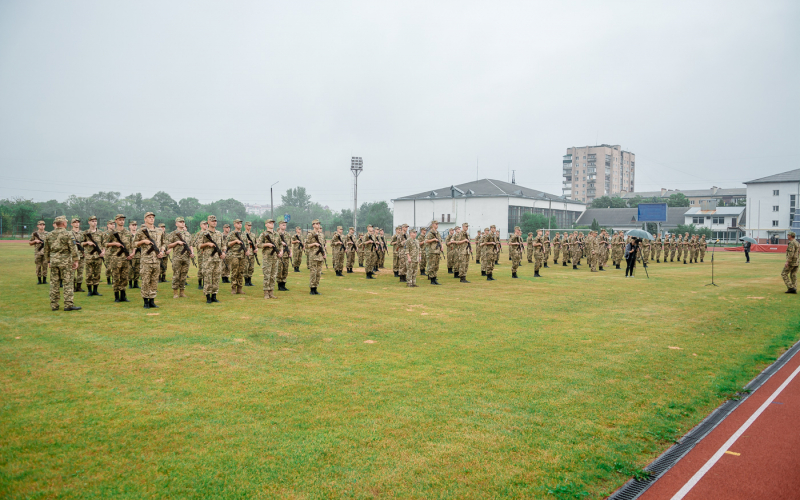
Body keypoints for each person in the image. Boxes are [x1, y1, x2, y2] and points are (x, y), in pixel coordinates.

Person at [44, 216, 81, 311]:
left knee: (54, 283)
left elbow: (46, 249)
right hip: (66, 262)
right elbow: (73, 248)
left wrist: (48, 261)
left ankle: (54, 305)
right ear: (64, 223)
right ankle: (68, 304)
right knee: (68, 283)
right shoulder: (68, 234)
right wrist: (76, 260)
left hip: (54, 261)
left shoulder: (49, 234)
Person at [135, 212, 166, 308]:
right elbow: (133, 244)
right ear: (145, 219)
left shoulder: (159, 231)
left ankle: (152, 300)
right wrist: (143, 241)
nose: (152, 219)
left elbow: (164, 243)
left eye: (153, 217)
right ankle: (146, 301)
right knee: (145, 281)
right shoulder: (141, 231)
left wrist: (162, 251)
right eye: (149, 217)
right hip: (146, 261)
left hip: (156, 260)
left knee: (154, 281)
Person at [106, 214, 134, 303]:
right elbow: (104, 244)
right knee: (116, 277)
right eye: (120, 220)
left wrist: (132, 254)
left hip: (126, 258)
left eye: (123, 220)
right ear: (116, 221)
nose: (122, 221)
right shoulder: (111, 233)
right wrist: (114, 244)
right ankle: (116, 296)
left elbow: (132, 245)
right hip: (115, 258)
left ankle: (123, 296)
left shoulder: (128, 233)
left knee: (124, 278)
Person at [167, 217, 194, 298]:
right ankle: (175, 293)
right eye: (180, 222)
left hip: (186, 258)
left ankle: (182, 292)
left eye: (183, 222)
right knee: (176, 275)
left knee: (184, 276)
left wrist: (192, 252)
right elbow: (169, 245)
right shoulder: (173, 233)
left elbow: (190, 245)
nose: (182, 223)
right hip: (177, 258)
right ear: (176, 224)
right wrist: (177, 242)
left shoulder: (188, 234)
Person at [81, 216, 106, 296]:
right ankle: (89, 291)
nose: (94, 222)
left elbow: (104, 244)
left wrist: (103, 252)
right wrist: (87, 242)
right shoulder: (85, 233)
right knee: (89, 274)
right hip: (89, 256)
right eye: (92, 221)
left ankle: (95, 290)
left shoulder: (101, 233)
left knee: (97, 274)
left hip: (98, 256)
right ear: (89, 222)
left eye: (95, 221)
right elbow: (80, 243)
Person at [257, 219, 279, 299]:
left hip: (275, 258)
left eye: (273, 223)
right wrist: (266, 244)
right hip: (267, 258)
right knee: (267, 275)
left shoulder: (277, 234)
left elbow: (280, 244)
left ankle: (271, 292)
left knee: (273, 275)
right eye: (270, 223)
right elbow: (258, 244)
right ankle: (266, 292)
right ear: (266, 225)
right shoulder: (263, 234)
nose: (272, 224)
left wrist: (281, 251)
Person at [225, 219, 246, 295]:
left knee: (241, 272)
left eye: (240, 223)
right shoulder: (231, 234)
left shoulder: (244, 234)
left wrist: (247, 250)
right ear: (234, 224)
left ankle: (239, 288)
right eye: (238, 223)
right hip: (234, 255)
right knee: (234, 272)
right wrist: (235, 241)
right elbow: (227, 244)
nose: (240, 224)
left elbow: (246, 243)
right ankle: (233, 288)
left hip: (242, 255)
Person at [305, 219, 326, 295]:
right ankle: (312, 288)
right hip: (313, 256)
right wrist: (314, 244)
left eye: (319, 224)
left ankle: (316, 288)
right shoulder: (310, 234)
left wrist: (324, 253)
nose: (318, 225)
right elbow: (306, 245)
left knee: (318, 273)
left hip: (320, 256)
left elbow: (322, 245)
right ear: (313, 225)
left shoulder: (321, 234)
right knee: (313, 272)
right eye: (316, 224)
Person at [69, 217, 86, 292]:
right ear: (71, 224)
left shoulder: (83, 233)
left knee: (80, 271)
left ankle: (79, 286)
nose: (77, 224)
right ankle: (73, 286)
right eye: (75, 222)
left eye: (78, 222)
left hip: (81, 255)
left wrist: (84, 251)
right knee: (72, 271)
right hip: (72, 255)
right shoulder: (69, 233)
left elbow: (85, 243)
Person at [29, 220, 48, 284]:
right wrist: (35, 241)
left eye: (43, 225)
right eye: (40, 225)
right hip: (38, 252)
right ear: (37, 226)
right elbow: (30, 243)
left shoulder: (47, 234)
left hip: (45, 252)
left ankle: (44, 280)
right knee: (38, 266)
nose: (42, 226)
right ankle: (39, 280)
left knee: (45, 266)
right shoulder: (35, 234)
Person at [276, 220, 293, 290]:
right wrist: (281, 242)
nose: (284, 226)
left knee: (285, 270)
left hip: (286, 255)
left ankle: (283, 284)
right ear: (279, 225)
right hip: (279, 255)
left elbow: (290, 245)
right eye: (283, 225)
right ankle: (279, 285)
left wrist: (290, 252)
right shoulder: (276, 234)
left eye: (285, 225)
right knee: (279, 270)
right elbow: (275, 244)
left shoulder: (288, 234)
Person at [424, 220, 442, 285]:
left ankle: (435, 279)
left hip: (437, 251)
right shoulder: (430, 233)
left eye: (437, 224)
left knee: (436, 266)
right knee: (432, 265)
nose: (437, 225)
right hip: (432, 251)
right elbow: (426, 241)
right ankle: (432, 280)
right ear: (433, 225)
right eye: (436, 224)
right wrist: (433, 239)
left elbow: (440, 241)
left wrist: (441, 247)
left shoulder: (437, 233)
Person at [242, 221, 257, 286]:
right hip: (246, 253)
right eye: (248, 225)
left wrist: (256, 249)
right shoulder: (242, 234)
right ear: (245, 226)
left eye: (250, 225)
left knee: (251, 267)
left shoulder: (253, 235)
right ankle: (246, 281)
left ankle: (249, 281)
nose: (249, 227)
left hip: (252, 254)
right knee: (245, 267)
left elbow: (255, 243)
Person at [128, 220, 140, 288]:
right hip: (130, 255)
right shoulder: (127, 235)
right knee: (130, 270)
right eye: (133, 225)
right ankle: (130, 283)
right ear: (129, 226)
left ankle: (136, 283)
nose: (134, 226)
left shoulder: (139, 235)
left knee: (137, 270)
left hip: (138, 255)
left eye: (135, 225)